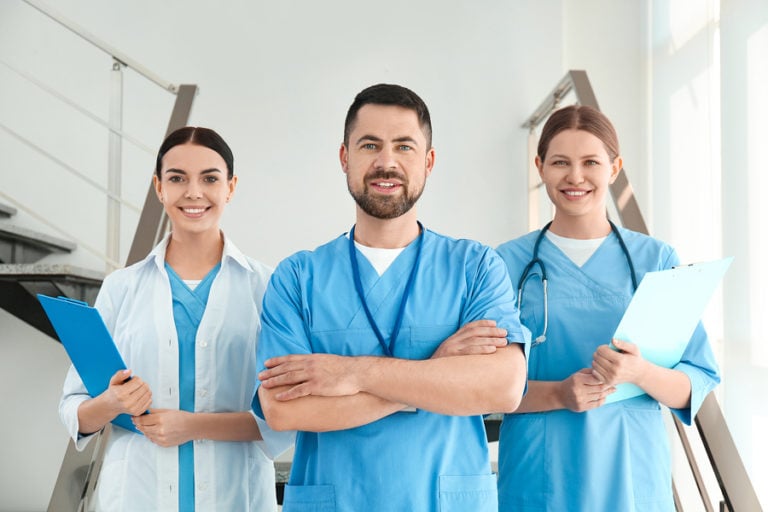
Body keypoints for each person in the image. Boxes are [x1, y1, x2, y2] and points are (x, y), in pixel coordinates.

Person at [252, 83, 529, 512]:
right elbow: (283, 411)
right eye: (369, 145)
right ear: (344, 157)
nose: (386, 162)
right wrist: (435, 373)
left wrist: (352, 373)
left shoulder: (475, 267)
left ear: (428, 161)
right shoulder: (298, 277)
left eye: (404, 146)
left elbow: (504, 386)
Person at [495, 105, 721, 511]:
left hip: (632, 475)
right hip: (540, 476)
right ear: (540, 166)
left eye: (591, 162)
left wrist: (640, 372)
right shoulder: (505, 263)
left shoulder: (654, 259)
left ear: (614, 168)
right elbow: (484, 388)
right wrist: (560, 394)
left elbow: (694, 383)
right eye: (560, 162)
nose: (575, 176)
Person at [59, 126, 293, 511]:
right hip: (138, 495)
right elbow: (75, 411)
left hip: (235, 497)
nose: (194, 192)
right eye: (177, 178)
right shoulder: (121, 287)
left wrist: (192, 425)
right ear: (159, 188)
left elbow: (282, 417)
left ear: (230, 187)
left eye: (210, 179)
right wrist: (113, 401)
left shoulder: (267, 287)